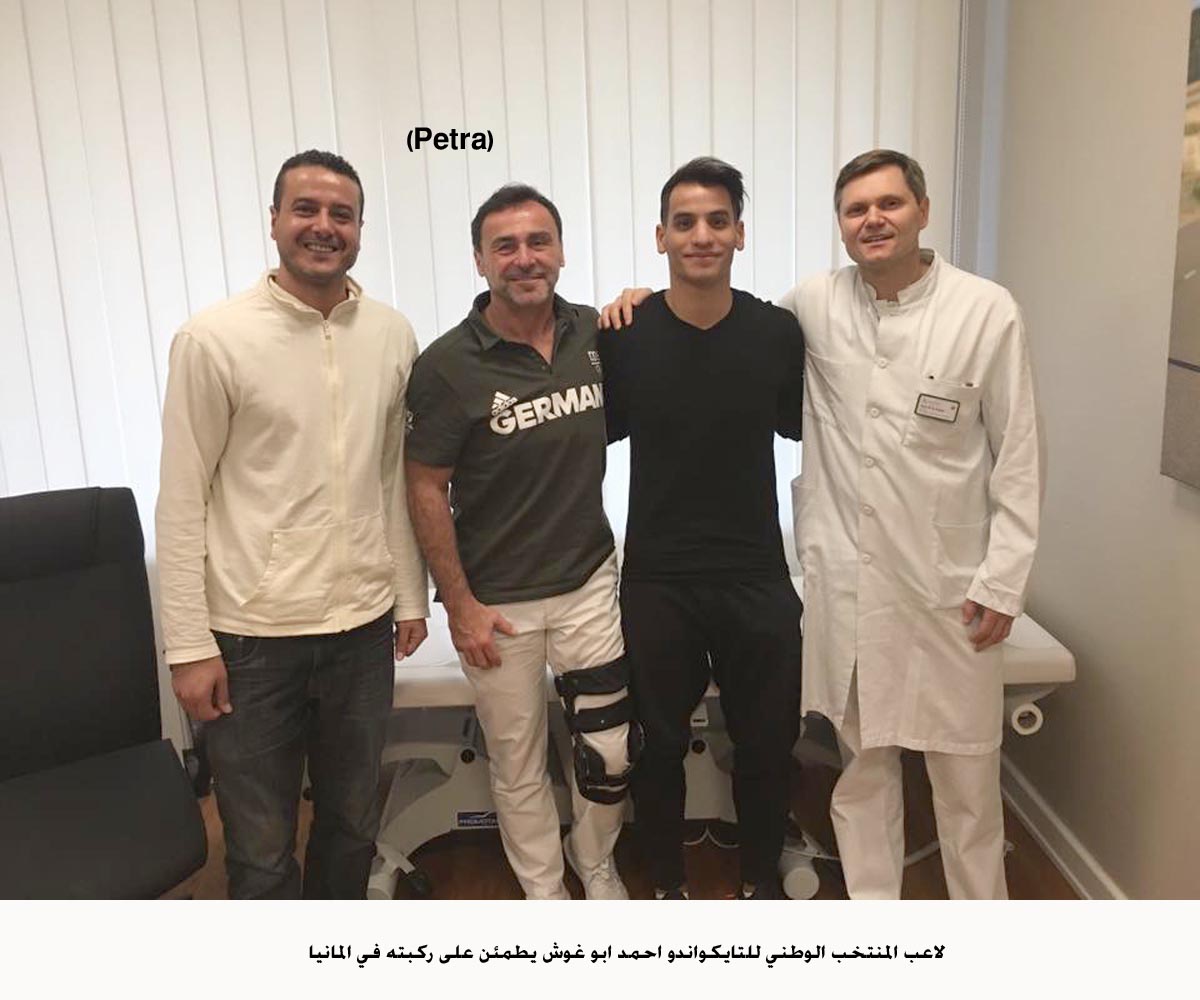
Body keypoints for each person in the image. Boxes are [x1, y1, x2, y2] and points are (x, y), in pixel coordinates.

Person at [156, 149, 429, 899]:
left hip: (362, 632)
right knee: (261, 849)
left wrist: (409, 596)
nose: (323, 226)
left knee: (352, 825)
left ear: (360, 230)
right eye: (305, 209)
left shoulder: (391, 334)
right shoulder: (213, 340)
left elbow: (391, 476)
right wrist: (187, 646)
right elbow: (181, 501)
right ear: (274, 221)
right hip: (251, 639)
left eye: (342, 214)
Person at [777, 149, 1042, 899]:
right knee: (862, 770)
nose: (873, 220)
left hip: (950, 589)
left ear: (923, 210)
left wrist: (1004, 582)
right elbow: (724, 326)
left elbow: (1019, 455)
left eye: (889, 204)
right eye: (856, 209)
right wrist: (642, 297)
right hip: (853, 587)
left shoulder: (985, 310)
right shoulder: (812, 303)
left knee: (966, 779)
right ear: (840, 224)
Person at [404, 184, 638, 900]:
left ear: (561, 251)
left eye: (539, 241)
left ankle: (595, 861)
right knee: (517, 760)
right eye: (504, 246)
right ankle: (544, 889)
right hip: (497, 602)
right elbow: (424, 488)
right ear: (480, 261)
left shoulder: (597, 334)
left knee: (610, 751)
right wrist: (459, 606)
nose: (524, 258)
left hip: (588, 582)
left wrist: (644, 299)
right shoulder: (447, 365)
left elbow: (667, 335)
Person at [596, 157, 806, 900]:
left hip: (756, 572)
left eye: (718, 221)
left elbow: (812, 426)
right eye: (684, 223)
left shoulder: (777, 333)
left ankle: (758, 880)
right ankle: (666, 884)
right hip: (658, 577)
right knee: (655, 746)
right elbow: (586, 434)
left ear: (740, 233)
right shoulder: (624, 335)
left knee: (769, 743)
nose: (702, 235)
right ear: (660, 237)